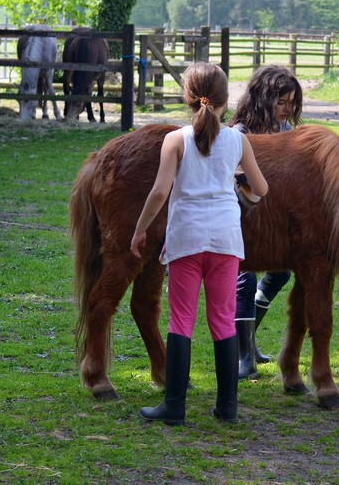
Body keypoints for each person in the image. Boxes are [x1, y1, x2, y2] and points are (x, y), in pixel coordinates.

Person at [130, 62, 268, 425]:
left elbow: (161, 191)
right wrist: (238, 183)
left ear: (187, 97)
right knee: (222, 321)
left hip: (186, 237)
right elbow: (262, 188)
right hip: (225, 238)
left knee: (181, 321)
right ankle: (227, 408)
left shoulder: (175, 139)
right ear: (225, 100)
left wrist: (140, 230)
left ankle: (174, 406)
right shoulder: (238, 140)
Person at [229, 65, 303, 381]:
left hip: (275, 221)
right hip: (244, 218)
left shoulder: (287, 131)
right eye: (281, 102)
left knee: (281, 272)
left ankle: (248, 339)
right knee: (243, 278)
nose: (287, 110)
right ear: (263, 98)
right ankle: (243, 356)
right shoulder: (241, 132)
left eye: (291, 103)